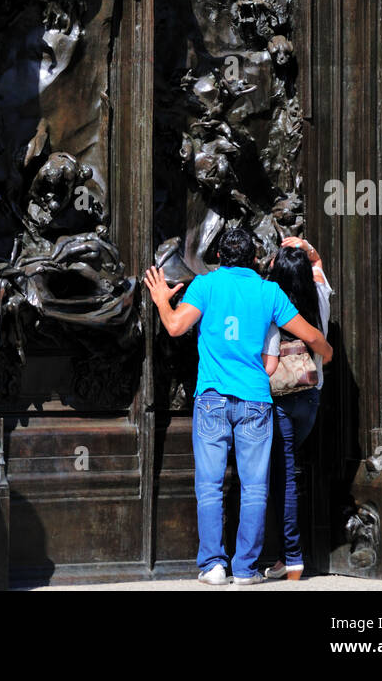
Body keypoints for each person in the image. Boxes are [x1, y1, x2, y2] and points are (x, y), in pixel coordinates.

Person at [144, 226, 332, 586]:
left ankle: (213, 566)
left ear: (218, 257)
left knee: (210, 485)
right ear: (256, 260)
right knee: (255, 487)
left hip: (212, 397)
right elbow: (310, 335)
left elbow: (173, 326)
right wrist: (328, 353)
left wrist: (159, 297)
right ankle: (245, 569)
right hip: (255, 401)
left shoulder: (205, 285)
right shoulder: (268, 291)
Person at [263, 236, 332, 581]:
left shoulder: (273, 304)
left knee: (284, 478)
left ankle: (291, 558)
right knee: (288, 472)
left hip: (281, 401)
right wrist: (306, 247)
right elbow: (318, 269)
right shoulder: (318, 295)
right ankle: (286, 556)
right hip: (311, 397)